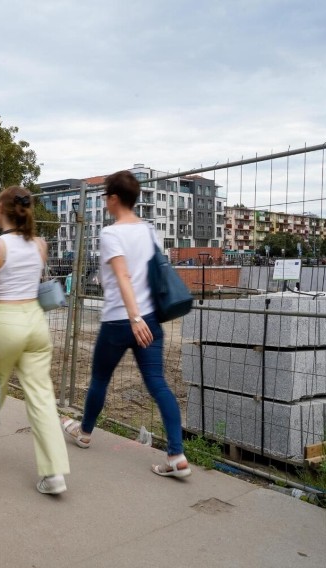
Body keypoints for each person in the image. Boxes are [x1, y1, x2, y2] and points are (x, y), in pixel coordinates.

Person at [61, 170, 191, 479]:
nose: (105, 202)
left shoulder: (111, 234)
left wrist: (132, 318)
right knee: (158, 384)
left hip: (121, 320)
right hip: (151, 320)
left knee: (100, 379)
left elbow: (122, 276)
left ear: (115, 198)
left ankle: (85, 434)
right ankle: (177, 455)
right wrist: (142, 318)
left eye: (106, 196)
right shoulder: (148, 231)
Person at [0, 186, 70, 495]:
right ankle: (54, 473)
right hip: (36, 322)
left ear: (1, 211)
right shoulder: (40, 245)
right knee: (42, 397)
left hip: (5, 323)